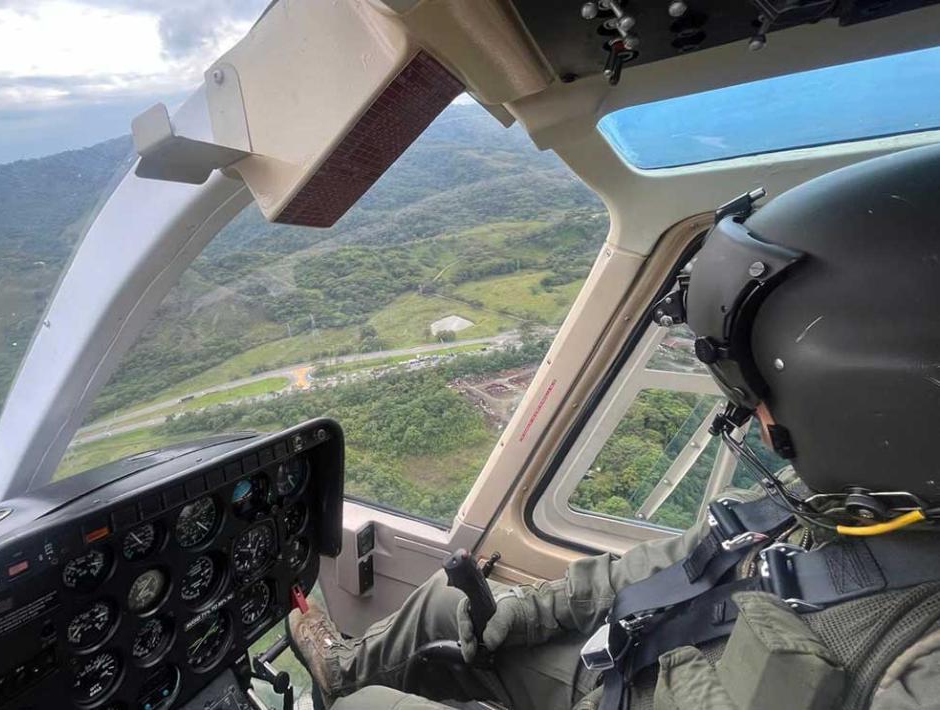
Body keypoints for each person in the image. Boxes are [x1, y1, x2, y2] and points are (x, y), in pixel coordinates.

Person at [288, 144, 940, 710]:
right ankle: (339, 668)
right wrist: (526, 612)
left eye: (758, 397)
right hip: (629, 667)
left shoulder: (917, 675)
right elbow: (672, 565)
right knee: (443, 605)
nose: (758, 421)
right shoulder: (841, 507)